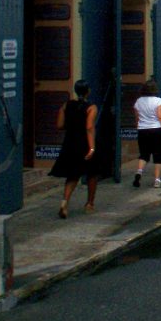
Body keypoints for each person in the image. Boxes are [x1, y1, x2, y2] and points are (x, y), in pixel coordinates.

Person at [48, 79, 101, 218]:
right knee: (92, 173)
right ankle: (89, 203)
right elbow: (89, 127)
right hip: (84, 143)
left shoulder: (66, 105)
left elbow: (59, 125)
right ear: (88, 91)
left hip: (70, 142)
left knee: (73, 175)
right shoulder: (91, 108)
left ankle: (64, 202)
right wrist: (92, 148)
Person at [132, 79, 161, 188]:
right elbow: (160, 116)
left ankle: (139, 172)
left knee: (144, 154)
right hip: (156, 129)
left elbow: (137, 118)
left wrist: (139, 127)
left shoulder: (138, 102)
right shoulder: (158, 101)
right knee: (158, 155)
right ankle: (157, 180)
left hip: (143, 130)